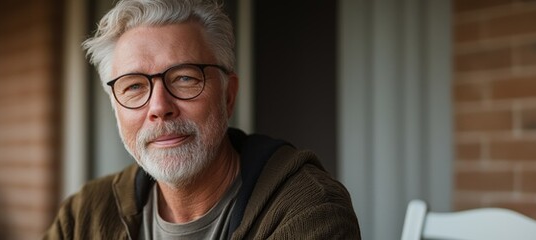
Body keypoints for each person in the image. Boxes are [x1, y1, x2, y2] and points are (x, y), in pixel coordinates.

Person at [45, 0, 360, 239]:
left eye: (184, 78)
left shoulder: (308, 209)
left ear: (227, 95)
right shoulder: (82, 216)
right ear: (115, 108)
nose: (159, 106)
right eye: (134, 86)